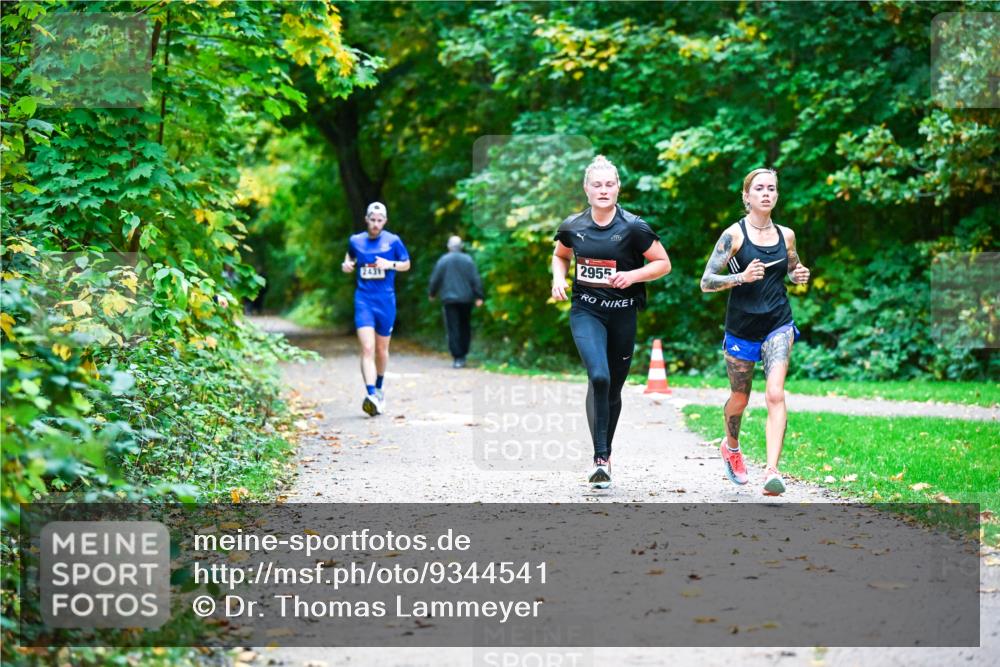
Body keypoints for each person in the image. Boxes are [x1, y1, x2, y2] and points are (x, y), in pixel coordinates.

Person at [551, 156, 671, 489]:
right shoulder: (573, 225)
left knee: (614, 388)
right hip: (586, 311)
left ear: (618, 188)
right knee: (599, 377)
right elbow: (560, 255)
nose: (603, 190)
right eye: (597, 185)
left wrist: (632, 275)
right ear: (586, 189)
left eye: (609, 184)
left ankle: (606, 453)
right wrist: (558, 279)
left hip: (623, 313)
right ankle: (600, 459)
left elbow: (663, 264)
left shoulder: (634, 227)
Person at [699, 168, 810, 495]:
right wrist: (741, 278)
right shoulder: (734, 236)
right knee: (740, 398)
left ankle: (772, 471)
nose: (766, 194)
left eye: (772, 189)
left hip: (778, 323)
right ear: (747, 197)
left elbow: (791, 268)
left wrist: (798, 274)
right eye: (759, 189)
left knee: (775, 393)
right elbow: (706, 282)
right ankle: (731, 447)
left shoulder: (786, 235)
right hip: (741, 329)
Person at [341, 202, 411, 416]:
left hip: (385, 301)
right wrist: (346, 265)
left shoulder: (393, 241)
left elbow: (406, 263)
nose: (375, 224)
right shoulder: (356, 240)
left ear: (385, 222)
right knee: (368, 349)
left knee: (381, 350)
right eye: (372, 220)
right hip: (364, 300)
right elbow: (350, 257)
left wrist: (389, 265)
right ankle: (370, 394)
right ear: (366, 219)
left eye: (380, 221)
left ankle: (379, 389)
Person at [428, 235, 485, 368]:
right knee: (465, 327)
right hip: (466, 299)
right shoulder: (468, 260)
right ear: (462, 246)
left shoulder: (443, 260)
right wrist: (479, 296)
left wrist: (432, 293)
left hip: (449, 300)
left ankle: (457, 357)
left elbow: (435, 278)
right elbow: (475, 279)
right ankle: (463, 355)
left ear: (449, 246)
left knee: (453, 328)